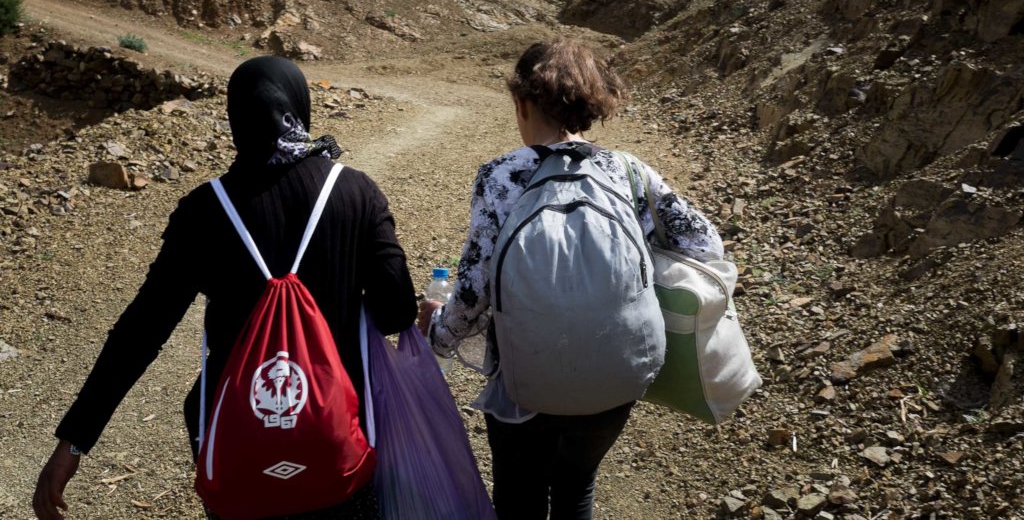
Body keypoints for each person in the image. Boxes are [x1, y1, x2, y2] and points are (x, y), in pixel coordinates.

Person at [33, 56, 417, 520]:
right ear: (300, 107)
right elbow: (395, 311)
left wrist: (74, 442)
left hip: (238, 443)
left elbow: (142, 329)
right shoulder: (357, 193)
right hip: (339, 431)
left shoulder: (203, 211)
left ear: (236, 119)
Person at [417, 38, 724, 520]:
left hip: (525, 380)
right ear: (590, 106)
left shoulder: (500, 176)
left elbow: (473, 293)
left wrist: (437, 333)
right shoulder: (628, 172)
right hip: (617, 377)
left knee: (519, 493)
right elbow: (705, 245)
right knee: (576, 484)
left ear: (521, 103)